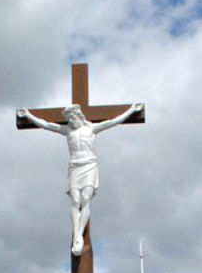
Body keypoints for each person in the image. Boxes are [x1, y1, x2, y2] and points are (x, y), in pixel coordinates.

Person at [17, 102, 143, 256]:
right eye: (69, 119)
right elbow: (46, 125)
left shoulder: (90, 128)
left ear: (78, 116)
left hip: (89, 164)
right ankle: (77, 234)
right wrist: (29, 115)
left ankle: (78, 236)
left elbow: (113, 122)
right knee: (76, 202)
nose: (71, 121)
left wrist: (131, 111)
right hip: (74, 167)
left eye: (72, 118)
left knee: (85, 199)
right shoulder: (67, 131)